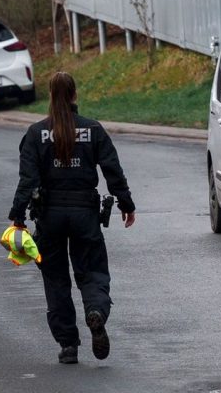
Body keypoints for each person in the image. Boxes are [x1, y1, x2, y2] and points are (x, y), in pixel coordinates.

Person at [8, 71, 136, 365]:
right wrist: (126, 203)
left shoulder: (35, 133)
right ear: (75, 95)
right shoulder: (93, 130)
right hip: (85, 214)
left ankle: (68, 345)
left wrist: (18, 217)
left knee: (55, 280)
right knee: (91, 271)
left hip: (49, 216)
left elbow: (27, 180)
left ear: (51, 97)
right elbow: (112, 170)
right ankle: (96, 311)